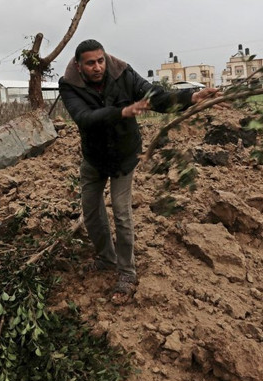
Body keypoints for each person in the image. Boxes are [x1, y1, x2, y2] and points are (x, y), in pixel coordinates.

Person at [59, 39, 220, 305]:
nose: (97, 67)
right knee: (91, 211)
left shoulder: (123, 73)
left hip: (124, 155)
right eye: (90, 63)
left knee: (122, 213)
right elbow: (84, 118)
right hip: (94, 158)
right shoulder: (69, 85)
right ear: (79, 65)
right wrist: (121, 111)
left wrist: (189, 97)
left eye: (100, 61)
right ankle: (105, 258)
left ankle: (126, 273)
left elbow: (153, 96)